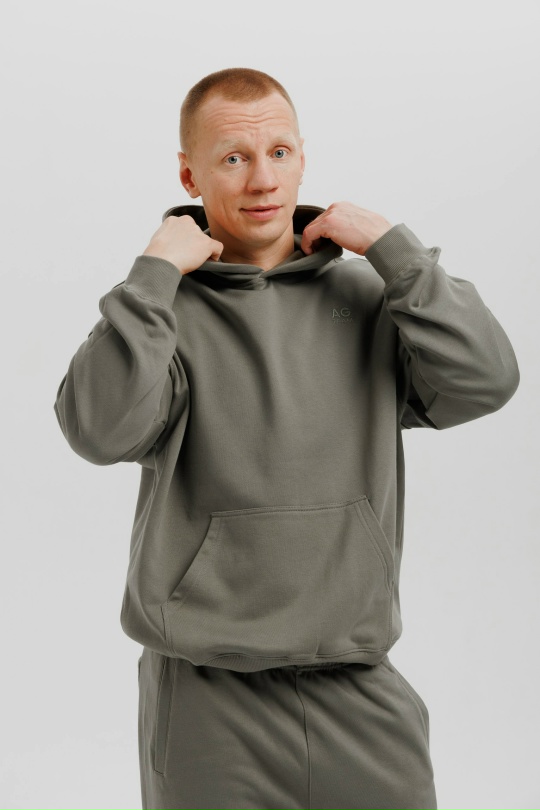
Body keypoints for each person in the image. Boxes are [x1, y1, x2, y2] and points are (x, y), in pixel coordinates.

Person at [53, 67, 520, 810]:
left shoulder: (373, 296)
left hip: (358, 684)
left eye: (279, 152)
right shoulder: (161, 314)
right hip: (208, 699)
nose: (263, 179)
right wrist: (152, 276)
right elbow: (97, 431)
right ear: (190, 174)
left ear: (303, 157)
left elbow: (487, 380)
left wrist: (396, 251)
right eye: (234, 158)